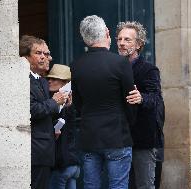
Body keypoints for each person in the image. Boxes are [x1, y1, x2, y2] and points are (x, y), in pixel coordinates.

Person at [71, 15, 135, 189]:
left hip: (90, 136)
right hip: (117, 136)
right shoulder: (120, 63)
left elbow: (78, 104)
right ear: (107, 33)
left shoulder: (76, 65)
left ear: (84, 38)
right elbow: (131, 101)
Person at [116, 21, 165, 189]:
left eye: (127, 40)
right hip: (117, 139)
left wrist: (141, 98)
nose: (122, 43)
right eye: (119, 39)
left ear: (139, 44)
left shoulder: (149, 70)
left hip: (143, 140)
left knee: (144, 185)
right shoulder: (112, 68)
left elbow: (156, 99)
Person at [19, 35, 67, 189]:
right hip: (34, 152)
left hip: (45, 151)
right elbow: (30, 110)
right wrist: (54, 102)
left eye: (46, 54)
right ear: (25, 57)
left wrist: (62, 106)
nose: (46, 57)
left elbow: (47, 112)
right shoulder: (22, 79)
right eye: (39, 53)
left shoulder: (42, 81)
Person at [47, 64, 80, 189]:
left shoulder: (58, 103)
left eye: (54, 79)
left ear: (65, 83)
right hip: (72, 163)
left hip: (61, 164)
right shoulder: (70, 103)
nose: (49, 81)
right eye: (49, 78)